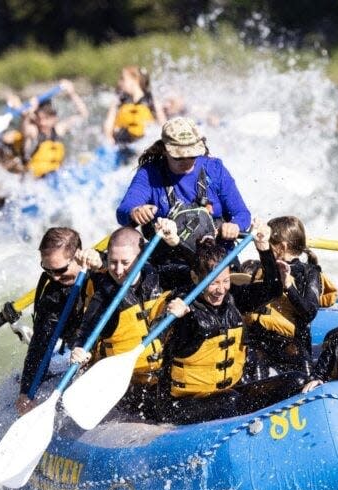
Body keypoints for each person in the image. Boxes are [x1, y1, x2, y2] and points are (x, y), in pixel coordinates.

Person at [156, 219, 302, 425]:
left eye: (225, 281)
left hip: (226, 394)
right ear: (196, 279)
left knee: (295, 381)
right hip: (181, 405)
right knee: (231, 400)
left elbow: (273, 289)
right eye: (214, 283)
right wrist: (180, 315)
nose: (221, 289)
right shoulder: (182, 303)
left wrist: (264, 248)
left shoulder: (233, 298)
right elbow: (172, 330)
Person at [68, 220, 191, 419]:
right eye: (112, 262)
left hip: (164, 377)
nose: (117, 270)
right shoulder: (104, 296)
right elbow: (85, 331)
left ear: (141, 257)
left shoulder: (158, 276)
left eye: (125, 263)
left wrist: (176, 241)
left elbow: (202, 271)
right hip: (128, 385)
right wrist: (79, 349)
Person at [115, 117, 251, 261]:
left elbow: (242, 214)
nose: (186, 161)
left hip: (217, 260)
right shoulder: (149, 173)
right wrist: (135, 212)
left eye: (191, 155)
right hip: (170, 262)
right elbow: (123, 212)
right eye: (179, 157)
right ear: (165, 150)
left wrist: (235, 225)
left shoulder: (215, 169)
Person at [17, 226, 101, 415]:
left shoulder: (106, 271)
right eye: (47, 270)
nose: (54, 277)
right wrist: (26, 392)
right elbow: (40, 345)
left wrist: (101, 262)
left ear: (78, 256)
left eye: (60, 269)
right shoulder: (54, 294)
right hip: (79, 354)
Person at [243, 216, 335, 379]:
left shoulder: (309, 273)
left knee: (303, 378)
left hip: (290, 344)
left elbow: (308, 312)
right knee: (255, 366)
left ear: (282, 247)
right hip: (258, 340)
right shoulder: (262, 269)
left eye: (268, 244)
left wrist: (288, 286)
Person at [8, 80, 89, 179]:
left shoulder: (58, 129)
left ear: (55, 118)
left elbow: (83, 114)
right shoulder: (34, 131)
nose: (42, 123)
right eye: (39, 119)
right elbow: (25, 129)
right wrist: (25, 112)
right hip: (35, 182)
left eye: (46, 119)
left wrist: (72, 94)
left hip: (55, 179)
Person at [102, 65, 165, 146]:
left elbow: (163, 125)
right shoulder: (118, 102)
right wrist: (109, 139)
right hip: (120, 144)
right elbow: (108, 124)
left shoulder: (152, 101)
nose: (120, 83)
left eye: (123, 79)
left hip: (143, 144)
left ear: (135, 80)